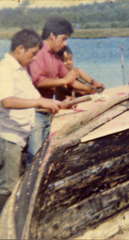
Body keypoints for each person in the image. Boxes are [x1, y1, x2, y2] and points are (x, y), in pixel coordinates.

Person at [0, 29, 62, 211]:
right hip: (8, 138)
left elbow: (30, 101)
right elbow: (7, 101)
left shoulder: (20, 70)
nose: (35, 59)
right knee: (8, 188)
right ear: (20, 49)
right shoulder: (5, 69)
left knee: (16, 185)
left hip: (19, 138)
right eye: (33, 54)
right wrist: (39, 101)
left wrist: (53, 104)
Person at [27, 17, 91, 164]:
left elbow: (70, 80)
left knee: (42, 156)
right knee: (34, 157)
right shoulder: (37, 52)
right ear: (52, 35)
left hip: (46, 112)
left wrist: (92, 89)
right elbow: (38, 81)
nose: (65, 44)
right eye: (63, 39)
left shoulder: (55, 56)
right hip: (33, 112)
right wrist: (63, 81)